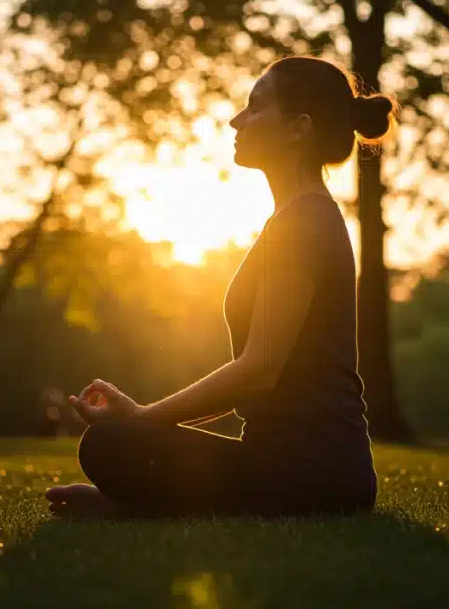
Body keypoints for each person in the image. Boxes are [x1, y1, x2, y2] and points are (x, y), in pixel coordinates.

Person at [45, 55, 398, 519]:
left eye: (255, 107)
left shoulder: (305, 223)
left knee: (113, 441)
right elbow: (260, 381)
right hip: (293, 465)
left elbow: (259, 370)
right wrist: (143, 415)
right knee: (118, 439)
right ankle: (131, 507)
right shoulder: (296, 219)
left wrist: (142, 419)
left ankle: (133, 510)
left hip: (315, 474)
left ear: (298, 128)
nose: (237, 119)